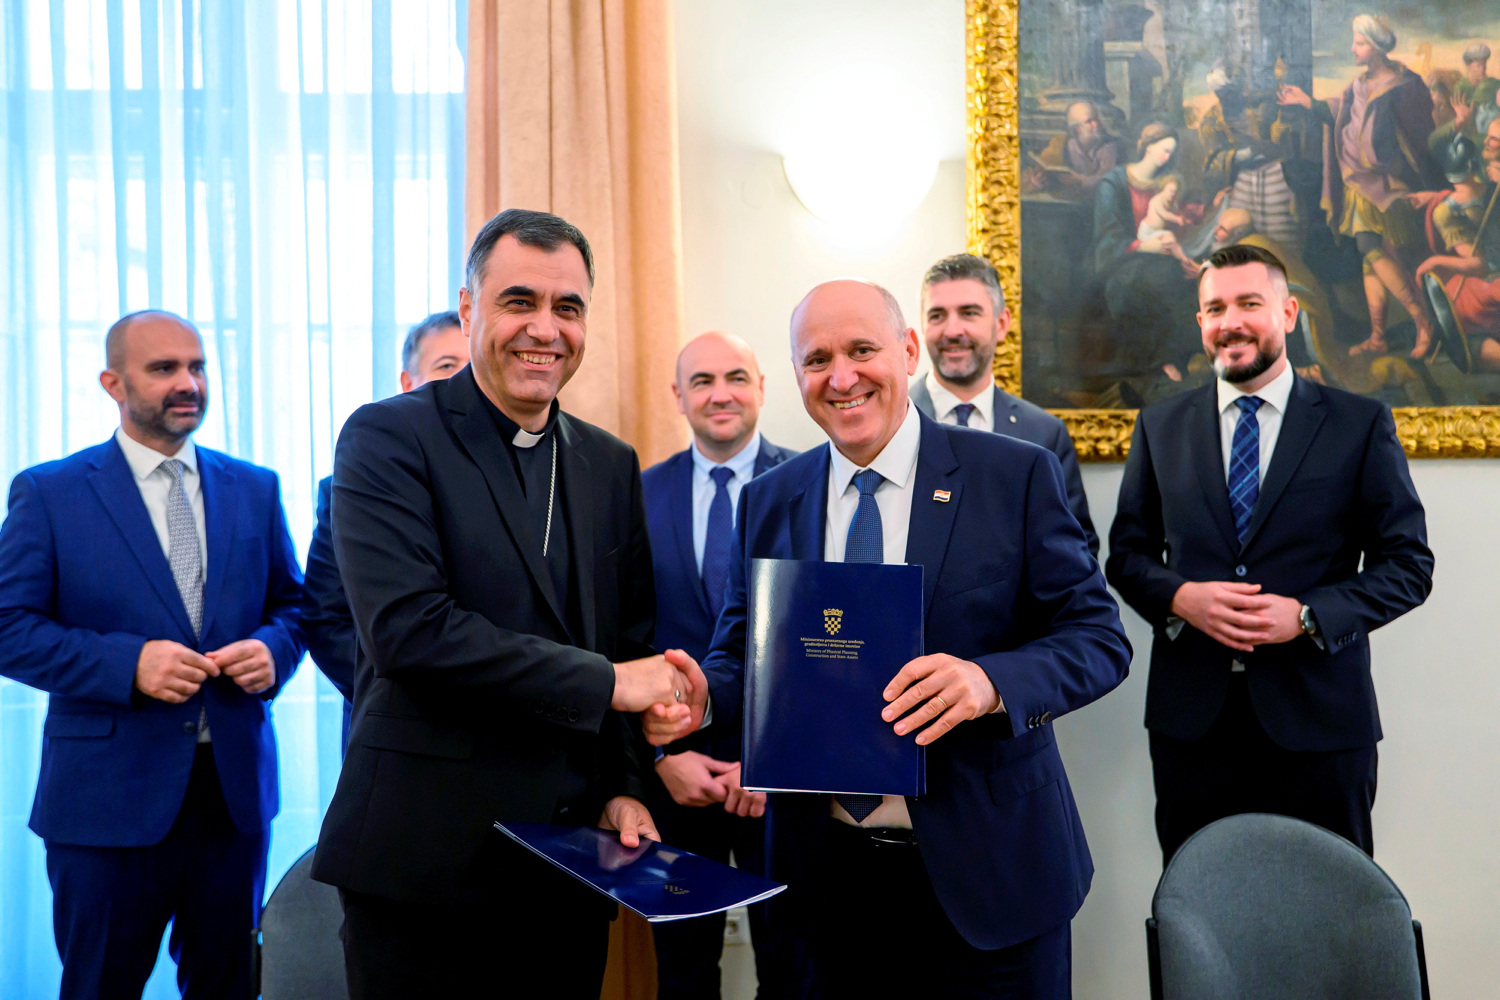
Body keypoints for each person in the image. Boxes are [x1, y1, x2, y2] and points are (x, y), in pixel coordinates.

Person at [648, 279, 1132, 997]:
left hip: (989, 875)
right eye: (817, 360)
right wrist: (704, 699)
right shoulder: (771, 498)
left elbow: (1098, 637)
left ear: (907, 351)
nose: (841, 377)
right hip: (823, 883)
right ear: (797, 376)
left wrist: (989, 682)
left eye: (861, 350)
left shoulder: (1012, 475)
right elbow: (741, 655)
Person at [311, 209, 700, 998]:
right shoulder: (389, 437)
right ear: (469, 309)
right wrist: (609, 683)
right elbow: (410, 633)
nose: (545, 330)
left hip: (568, 865)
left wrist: (625, 784)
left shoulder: (608, 463)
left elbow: (627, 639)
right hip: (425, 864)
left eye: (568, 308)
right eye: (519, 302)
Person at [0, 310, 305, 998]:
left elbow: (293, 606)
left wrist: (273, 650)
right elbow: (7, 625)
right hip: (105, 804)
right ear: (113, 383)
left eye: (197, 366)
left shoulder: (255, 488)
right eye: (164, 368)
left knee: (229, 986)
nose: (188, 383)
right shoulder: (50, 493)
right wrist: (128, 665)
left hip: (232, 800)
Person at [1106, 243, 1434, 865]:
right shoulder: (1159, 425)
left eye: (1248, 304)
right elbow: (1126, 554)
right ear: (1200, 322)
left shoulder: (1358, 423)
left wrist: (1308, 616)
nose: (1230, 322)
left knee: (1329, 904)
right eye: (1215, 309)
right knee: (1197, 904)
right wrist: (1181, 597)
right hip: (1192, 728)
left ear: (1288, 312)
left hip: (1320, 724)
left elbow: (1409, 566)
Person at [640, 331, 802, 999]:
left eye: (736, 377)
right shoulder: (636, 495)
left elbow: (826, 646)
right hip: (674, 778)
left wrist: (772, 760)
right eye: (701, 381)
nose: (720, 394)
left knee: (793, 971)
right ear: (678, 396)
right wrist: (659, 758)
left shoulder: (812, 487)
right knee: (682, 973)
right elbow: (618, 637)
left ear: (761, 387)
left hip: (785, 785)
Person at [300, 310, 469, 751]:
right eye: (447, 365)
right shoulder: (352, 482)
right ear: (408, 382)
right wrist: (408, 695)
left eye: (474, 366)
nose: (464, 379)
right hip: (392, 735)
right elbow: (325, 619)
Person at [1278, 14, 1444, 359]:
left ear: (1378, 47)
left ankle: (1423, 321)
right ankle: (1379, 336)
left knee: (1377, 250)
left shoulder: (1403, 85)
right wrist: (1308, 102)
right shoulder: (1357, 85)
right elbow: (1341, 115)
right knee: (1371, 259)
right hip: (1356, 182)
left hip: (1388, 185)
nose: (1353, 49)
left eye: (1360, 43)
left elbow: (1420, 137)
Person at [910, 252, 1098, 557]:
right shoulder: (891, 423)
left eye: (969, 313)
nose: (952, 330)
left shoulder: (1044, 434)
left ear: (1001, 324)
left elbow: (1075, 553)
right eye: (937, 315)